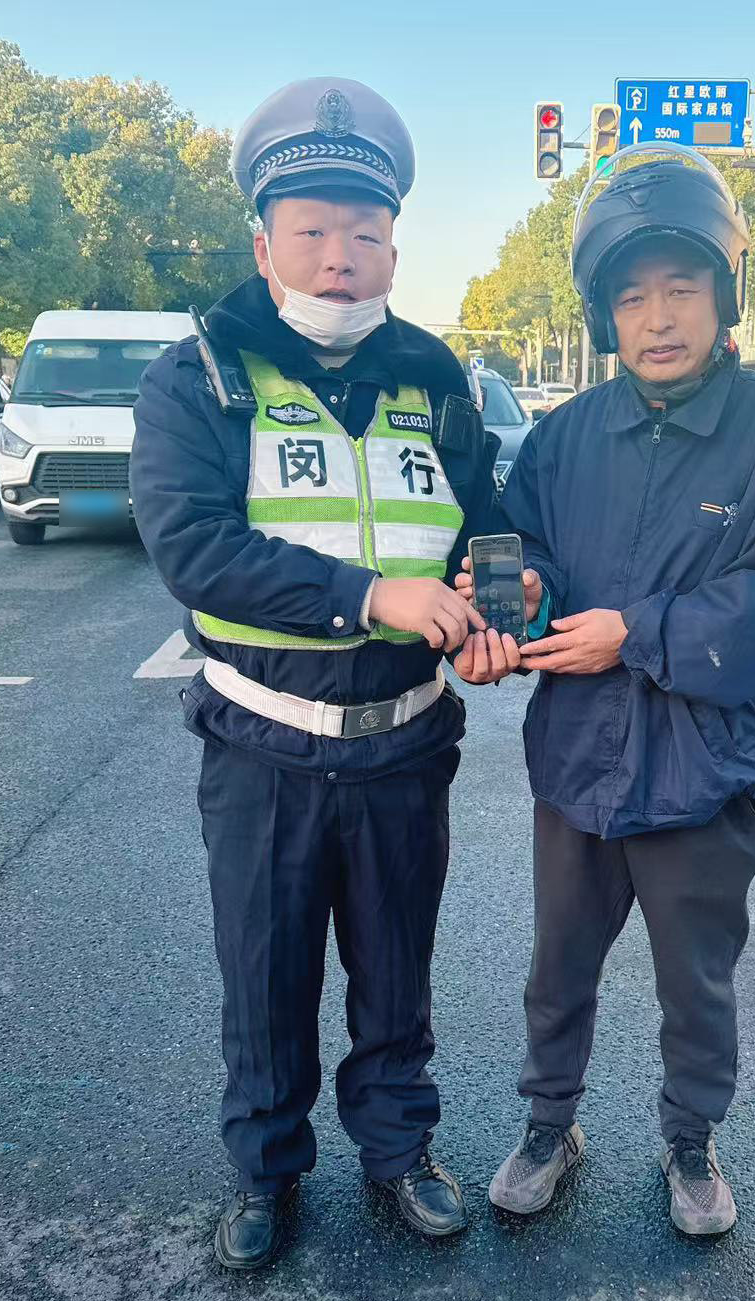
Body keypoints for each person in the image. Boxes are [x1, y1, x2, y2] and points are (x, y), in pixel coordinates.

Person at [130, 77, 500, 1270]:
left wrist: (498, 597)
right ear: (264, 242)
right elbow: (193, 548)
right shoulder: (199, 378)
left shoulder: (437, 378)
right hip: (262, 746)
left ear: (394, 246)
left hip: (406, 741)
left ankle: (398, 1153)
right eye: (312, 231)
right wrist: (369, 594)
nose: (340, 258)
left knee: (396, 974)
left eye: (364, 233)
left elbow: (481, 524)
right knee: (266, 974)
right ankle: (265, 1169)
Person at [455, 149, 755, 1236]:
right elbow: (524, 550)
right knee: (557, 971)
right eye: (631, 297)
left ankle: (689, 1140)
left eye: (681, 287)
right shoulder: (564, 437)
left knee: (696, 983)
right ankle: (549, 1124)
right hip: (576, 764)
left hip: (703, 772)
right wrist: (524, 596)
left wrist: (636, 634)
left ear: (723, 293)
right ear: (604, 315)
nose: (658, 318)